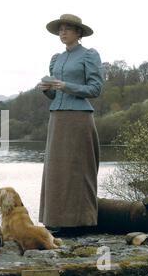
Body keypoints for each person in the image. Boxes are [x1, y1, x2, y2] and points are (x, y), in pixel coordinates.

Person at [37, 14, 104, 236]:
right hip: (57, 117)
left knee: (78, 170)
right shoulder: (56, 58)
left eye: (67, 29)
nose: (62, 32)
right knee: (57, 171)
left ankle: (80, 222)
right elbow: (55, 94)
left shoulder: (89, 55)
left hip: (79, 119)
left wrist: (67, 86)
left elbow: (95, 89)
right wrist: (49, 91)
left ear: (79, 32)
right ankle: (56, 221)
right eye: (60, 29)